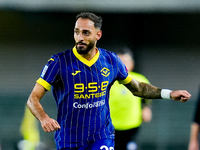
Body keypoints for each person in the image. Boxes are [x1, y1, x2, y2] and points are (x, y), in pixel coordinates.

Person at [27, 12, 191, 150]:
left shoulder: (111, 60)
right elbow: (33, 98)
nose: (80, 37)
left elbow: (137, 88)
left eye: (86, 33)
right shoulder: (58, 63)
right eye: (77, 32)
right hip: (69, 138)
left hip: (101, 136)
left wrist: (169, 93)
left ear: (98, 35)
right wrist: (44, 118)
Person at [109, 47, 152, 150]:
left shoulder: (140, 80)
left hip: (132, 127)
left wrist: (146, 108)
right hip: (110, 128)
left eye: (126, 62)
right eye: (120, 62)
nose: (123, 65)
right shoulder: (107, 81)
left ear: (132, 64)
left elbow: (146, 99)